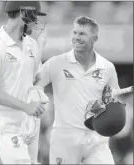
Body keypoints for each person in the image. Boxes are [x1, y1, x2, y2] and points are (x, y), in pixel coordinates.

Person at [36, 16, 120, 164]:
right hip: (65, 138)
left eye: (82, 34)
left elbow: (114, 101)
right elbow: (35, 85)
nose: (76, 37)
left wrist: (107, 106)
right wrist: (39, 101)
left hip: (96, 139)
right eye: (74, 33)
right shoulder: (57, 63)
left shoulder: (107, 67)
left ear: (94, 38)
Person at [0, 1, 48, 164]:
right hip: (6, 122)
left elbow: (37, 78)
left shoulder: (31, 44)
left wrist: (41, 49)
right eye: (34, 17)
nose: (36, 22)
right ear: (25, 14)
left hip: (29, 120)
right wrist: (26, 106)